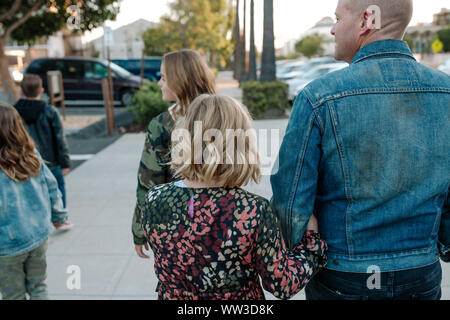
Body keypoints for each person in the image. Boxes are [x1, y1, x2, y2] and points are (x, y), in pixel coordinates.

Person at [271, 0, 450, 300]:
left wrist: (303, 251)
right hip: (419, 273)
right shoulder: (446, 92)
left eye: (338, 18)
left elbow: (290, 200)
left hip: (344, 275)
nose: (331, 29)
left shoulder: (318, 97)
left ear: (367, 19)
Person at [138, 94, 327, 300]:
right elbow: (282, 284)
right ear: (240, 144)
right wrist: (312, 243)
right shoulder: (253, 210)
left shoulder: (153, 199)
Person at [132, 49, 216, 258]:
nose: (159, 83)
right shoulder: (224, 115)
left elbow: (149, 183)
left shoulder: (162, 125)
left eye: (163, 77)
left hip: (177, 228)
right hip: (223, 222)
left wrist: (140, 229)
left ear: (180, 81)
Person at [0, 102, 68, 300]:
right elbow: (52, 188)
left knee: (14, 295)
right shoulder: (32, 156)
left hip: (7, 245)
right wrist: (59, 216)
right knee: (39, 287)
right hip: (38, 236)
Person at [14, 74, 72, 231]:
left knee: (27, 191)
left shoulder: (13, 113)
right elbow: (59, 138)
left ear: (21, 91)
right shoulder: (49, 111)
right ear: (41, 90)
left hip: (22, 160)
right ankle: (60, 219)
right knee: (57, 188)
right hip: (50, 160)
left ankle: (33, 221)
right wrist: (65, 161)